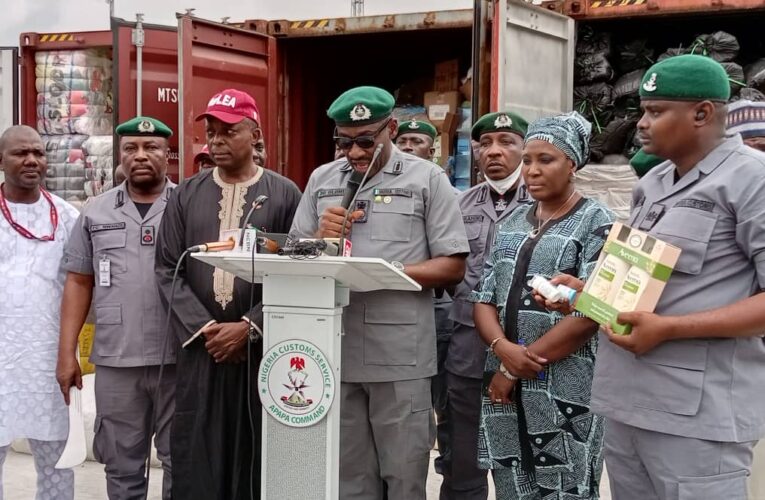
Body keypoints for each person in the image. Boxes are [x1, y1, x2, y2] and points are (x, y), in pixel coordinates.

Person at [576, 54, 765, 500]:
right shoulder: (653, 183)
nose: (641, 123)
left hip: (697, 415)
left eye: (656, 111)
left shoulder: (751, 181)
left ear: (701, 113)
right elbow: (647, 281)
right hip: (628, 400)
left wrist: (671, 328)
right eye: (642, 110)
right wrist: (588, 293)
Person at [289, 86, 469, 500]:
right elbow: (295, 254)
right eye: (344, 141)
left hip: (399, 357)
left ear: (391, 128)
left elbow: (454, 265)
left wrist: (387, 273)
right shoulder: (322, 179)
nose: (354, 152)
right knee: (350, 482)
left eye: (366, 140)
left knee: (403, 480)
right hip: (336, 352)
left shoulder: (427, 179)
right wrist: (320, 237)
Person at [155, 89, 302, 500]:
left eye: (228, 131)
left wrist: (249, 326)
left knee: (254, 455)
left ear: (254, 134)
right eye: (211, 131)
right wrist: (207, 331)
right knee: (197, 454)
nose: (216, 141)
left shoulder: (285, 193)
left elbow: (296, 270)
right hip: (201, 350)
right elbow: (168, 267)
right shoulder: (187, 193)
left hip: (260, 350)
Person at [469, 112, 614, 499]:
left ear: (572, 163)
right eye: (528, 159)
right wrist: (503, 352)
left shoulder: (598, 222)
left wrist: (516, 366)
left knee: (566, 486)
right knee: (511, 484)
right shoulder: (512, 222)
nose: (532, 170)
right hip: (503, 383)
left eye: (545, 160)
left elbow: (592, 312)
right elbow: (483, 298)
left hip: (565, 386)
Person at [56, 116, 177, 499]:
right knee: (121, 466)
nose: (141, 156)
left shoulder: (189, 205)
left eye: (151, 147)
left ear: (167, 155)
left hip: (178, 358)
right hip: (116, 360)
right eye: (131, 148)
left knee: (182, 460)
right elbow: (78, 280)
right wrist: (67, 354)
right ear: (120, 156)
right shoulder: (95, 211)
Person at [440, 111, 531, 500]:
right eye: (485, 143)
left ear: (524, 149)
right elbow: (445, 270)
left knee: (526, 464)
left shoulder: (546, 199)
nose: (495, 151)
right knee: (463, 460)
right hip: (468, 350)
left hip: (530, 350)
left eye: (507, 141)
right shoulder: (458, 206)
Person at [0, 125, 80, 499]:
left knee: (56, 464)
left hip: (50, 358)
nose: (32, 160)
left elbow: (80, 286)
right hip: (1, 360)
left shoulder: (66, 217)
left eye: (39, 152)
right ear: (1, 160)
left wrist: (70, 354)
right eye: (20, 153)